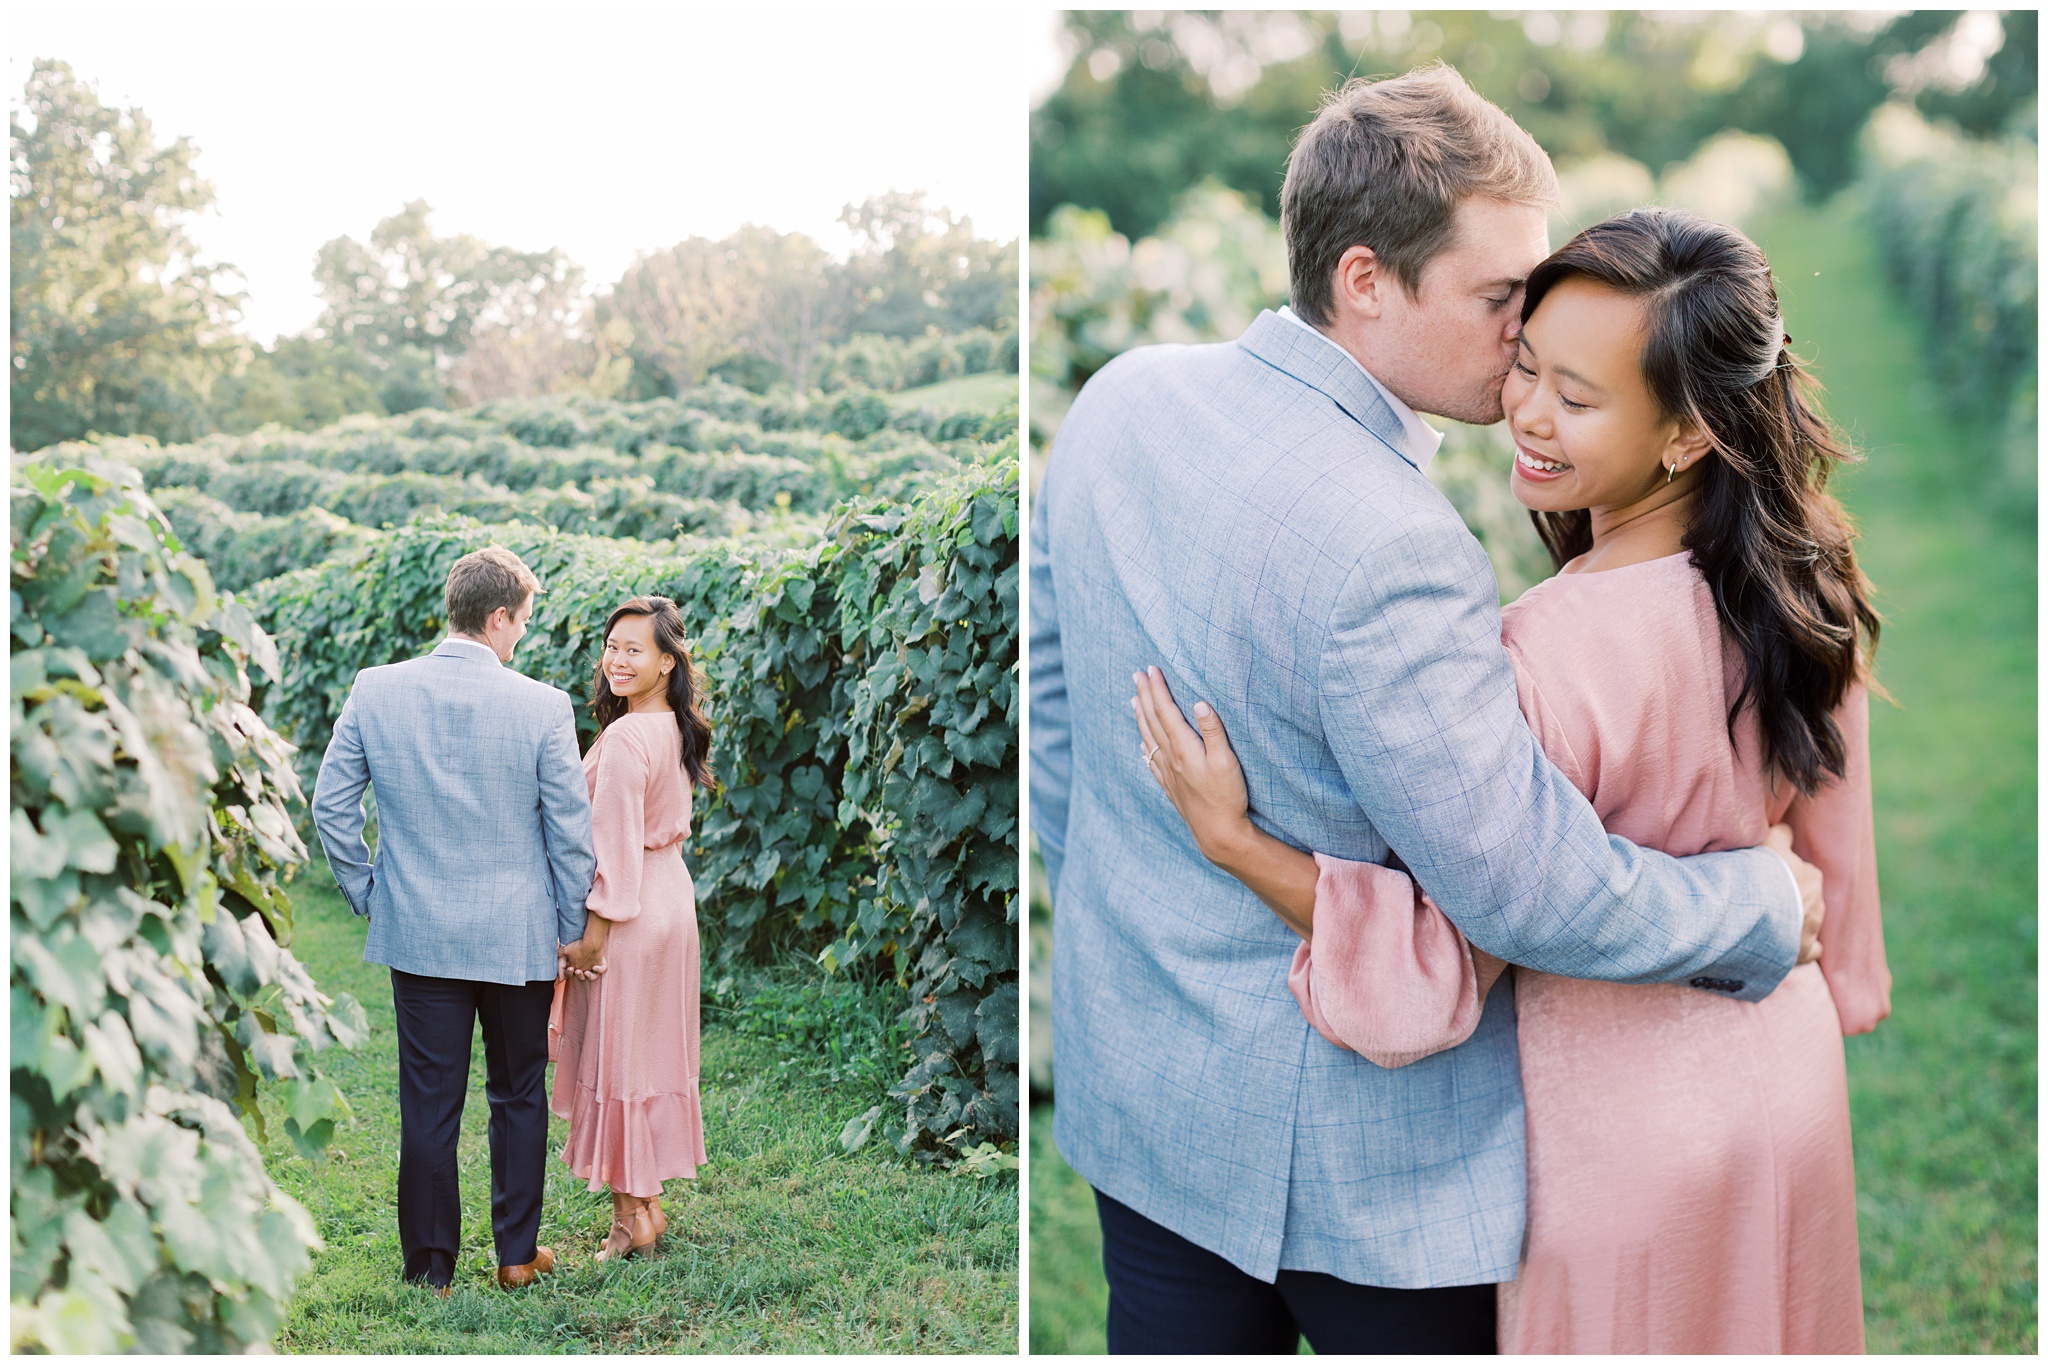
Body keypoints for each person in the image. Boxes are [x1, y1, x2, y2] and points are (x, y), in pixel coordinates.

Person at [1027, 64, 1825, 1354]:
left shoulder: (1118, 400)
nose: (1527, 336)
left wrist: (1152, 903)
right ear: (1362, 281)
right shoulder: (1396, 544)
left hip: (1143, 1093)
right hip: (1365, 1166)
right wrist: (1758, 904)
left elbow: (1053, 710)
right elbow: (1521, 890)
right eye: (1499, 296)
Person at [312, 545, 594, 1296]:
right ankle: (515, 1255)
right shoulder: (543, 705)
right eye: (523, 623)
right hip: (517, 934)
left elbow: (331, 804)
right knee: (517, 1094)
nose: (522, 639)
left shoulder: (376, 689)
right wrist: (571, 926)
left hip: (421, 932)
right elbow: (570, 832)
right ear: (498, 616)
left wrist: (370, 890)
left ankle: (430, 1270)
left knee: (430, 1104)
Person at [550, 596, 713, 1262]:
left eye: (634, 649)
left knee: (619, 1059)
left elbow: (612, 846)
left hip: (633, 907)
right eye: (612, 646)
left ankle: (629, 1222)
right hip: (673, 896)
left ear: (666, 662)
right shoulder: (676, 724)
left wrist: (592, 932)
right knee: (649, 1054)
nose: (617, 659)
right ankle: (646, 1202)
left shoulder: (624, 737)